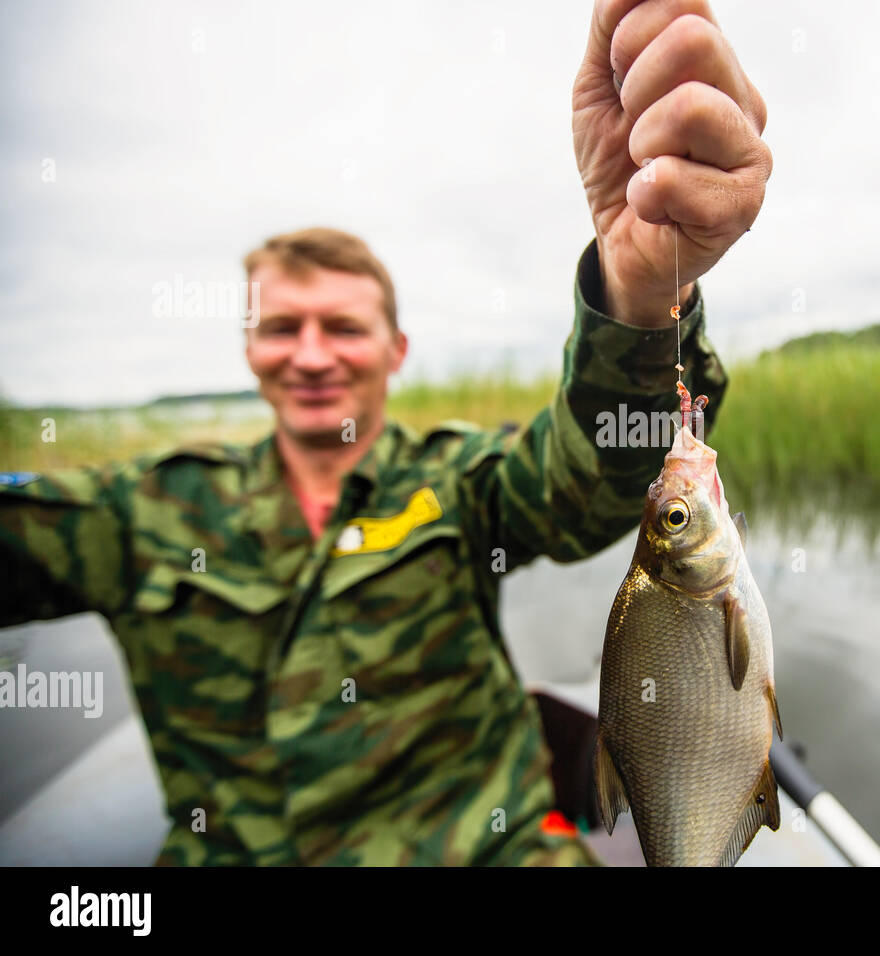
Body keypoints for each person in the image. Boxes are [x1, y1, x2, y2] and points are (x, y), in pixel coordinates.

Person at [0, 0, 770, 865]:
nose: (313, 354)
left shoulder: (457, 478)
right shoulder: (140, 508)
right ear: (249, 348)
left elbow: (584, 481)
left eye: (345, 326)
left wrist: (636, 293)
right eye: (284, 326)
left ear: (396, 348)